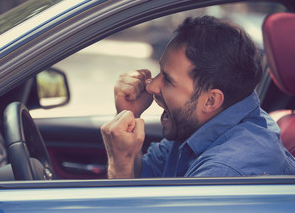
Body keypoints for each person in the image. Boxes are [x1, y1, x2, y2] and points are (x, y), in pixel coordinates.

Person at [100, 16, 295, 179]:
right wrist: (128, 116)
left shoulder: (226, 171)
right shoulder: (197, 125)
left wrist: (120, 162)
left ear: (210, 101)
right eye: (160, 71)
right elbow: (146, 176)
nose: (150, 86)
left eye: (167, 80)